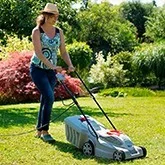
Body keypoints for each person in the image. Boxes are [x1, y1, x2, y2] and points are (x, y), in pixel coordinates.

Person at [30, 3, 75, 143]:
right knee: (49, 97)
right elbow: (39, 53)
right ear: (46, 15)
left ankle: (39, 130)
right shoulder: (37, 31)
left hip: (51, 72)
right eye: (53, 16)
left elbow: (63, 51)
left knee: (45, 98)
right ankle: (45, 131)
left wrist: (70, 64)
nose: (55, 18)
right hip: (38, 69)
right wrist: (53, 66)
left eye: (57, 16)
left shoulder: (59, 32)